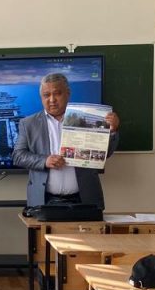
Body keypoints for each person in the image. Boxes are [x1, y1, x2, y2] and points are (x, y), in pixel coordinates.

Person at [12, 72, 121, 209]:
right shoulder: (28, 123)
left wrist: (113, 130)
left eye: (57, 94)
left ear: (68, 94)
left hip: (84, 198)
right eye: (46, 95)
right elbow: (18, 156)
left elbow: (105, 154)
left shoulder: (86, 119)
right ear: (41, 98)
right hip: (44, 200)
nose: (52, 100)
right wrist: (44, 161)